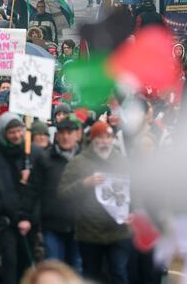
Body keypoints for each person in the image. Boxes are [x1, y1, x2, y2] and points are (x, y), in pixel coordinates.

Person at [59, 121, 131, 284]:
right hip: (89, 232)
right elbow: (63, 193)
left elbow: (135, 191)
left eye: (108, 137)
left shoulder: (122, 161)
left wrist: (133, 212)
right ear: (92, 139)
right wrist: (84, 184)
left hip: (118, 230)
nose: (105, 141)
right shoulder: (78, 163)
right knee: (92, 276)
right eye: (100, 137)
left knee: (119, 272)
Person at [19, 116, 84, 272]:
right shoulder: (45, 159)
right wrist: (25, 217)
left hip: (80, 226)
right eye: (62, 132)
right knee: (53, 271)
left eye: (69, 132)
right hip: (52, 225)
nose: (66, 136)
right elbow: (33, 189)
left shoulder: (84, 159)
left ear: (76, 135)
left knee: (76, 270)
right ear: (56, 135)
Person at [0, 112, 38, 284]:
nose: (16, 135)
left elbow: (40, 186)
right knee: (10, 262)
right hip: (5, 221)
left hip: (29, 221)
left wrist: (29, 217)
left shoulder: (32, 154)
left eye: (19, 131)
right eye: (11, 132)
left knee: (27, 264)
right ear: (4, 133)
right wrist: (0, 205)